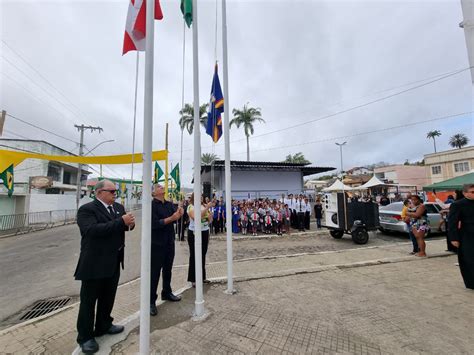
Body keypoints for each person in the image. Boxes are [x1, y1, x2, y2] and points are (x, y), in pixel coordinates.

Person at [74, 180, 135, 353]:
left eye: (116, 191)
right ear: (99, 192)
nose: (115, 193)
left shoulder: (118, 207)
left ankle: (104, 324)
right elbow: (91, 230)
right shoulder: (87, 210)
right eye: (111, 191)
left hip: (114, 261)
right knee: (88, 302)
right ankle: (85, 336)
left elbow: (124, 227)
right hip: (94, 263)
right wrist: (121, 222)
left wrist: (130, 223)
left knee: (108, 297)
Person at [150, 184, 184, 317]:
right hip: (156, 243)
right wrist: (172, 218)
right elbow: (154, 224)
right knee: (154, 273)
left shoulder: (169, 204)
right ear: (153, 193)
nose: (162, 187)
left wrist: (179, 214)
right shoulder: (151, 206)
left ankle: (167, 292)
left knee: (168, 269)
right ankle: (151, 301)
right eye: (158, 187)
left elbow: (176, 220)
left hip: (169, 241)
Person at [448, 184, 474, 290]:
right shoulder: (458, 204)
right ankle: (471, 283)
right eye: (472, 192)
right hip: (467, 235)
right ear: (464, 193)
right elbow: (452, 222)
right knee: (469, 259)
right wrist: (453, 238)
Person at [187, 193, 213, 287]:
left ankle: (202, 277)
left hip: (205, 231)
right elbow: (196, 217)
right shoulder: (191, 207)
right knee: (194, 255)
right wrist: (206, 209)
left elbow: (210, 220)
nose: (201, 198)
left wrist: (209, 215)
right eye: (199, 196)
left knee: (203, 254)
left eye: (201, 196)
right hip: (194, 232)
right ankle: (193, 278)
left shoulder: (204, 206)